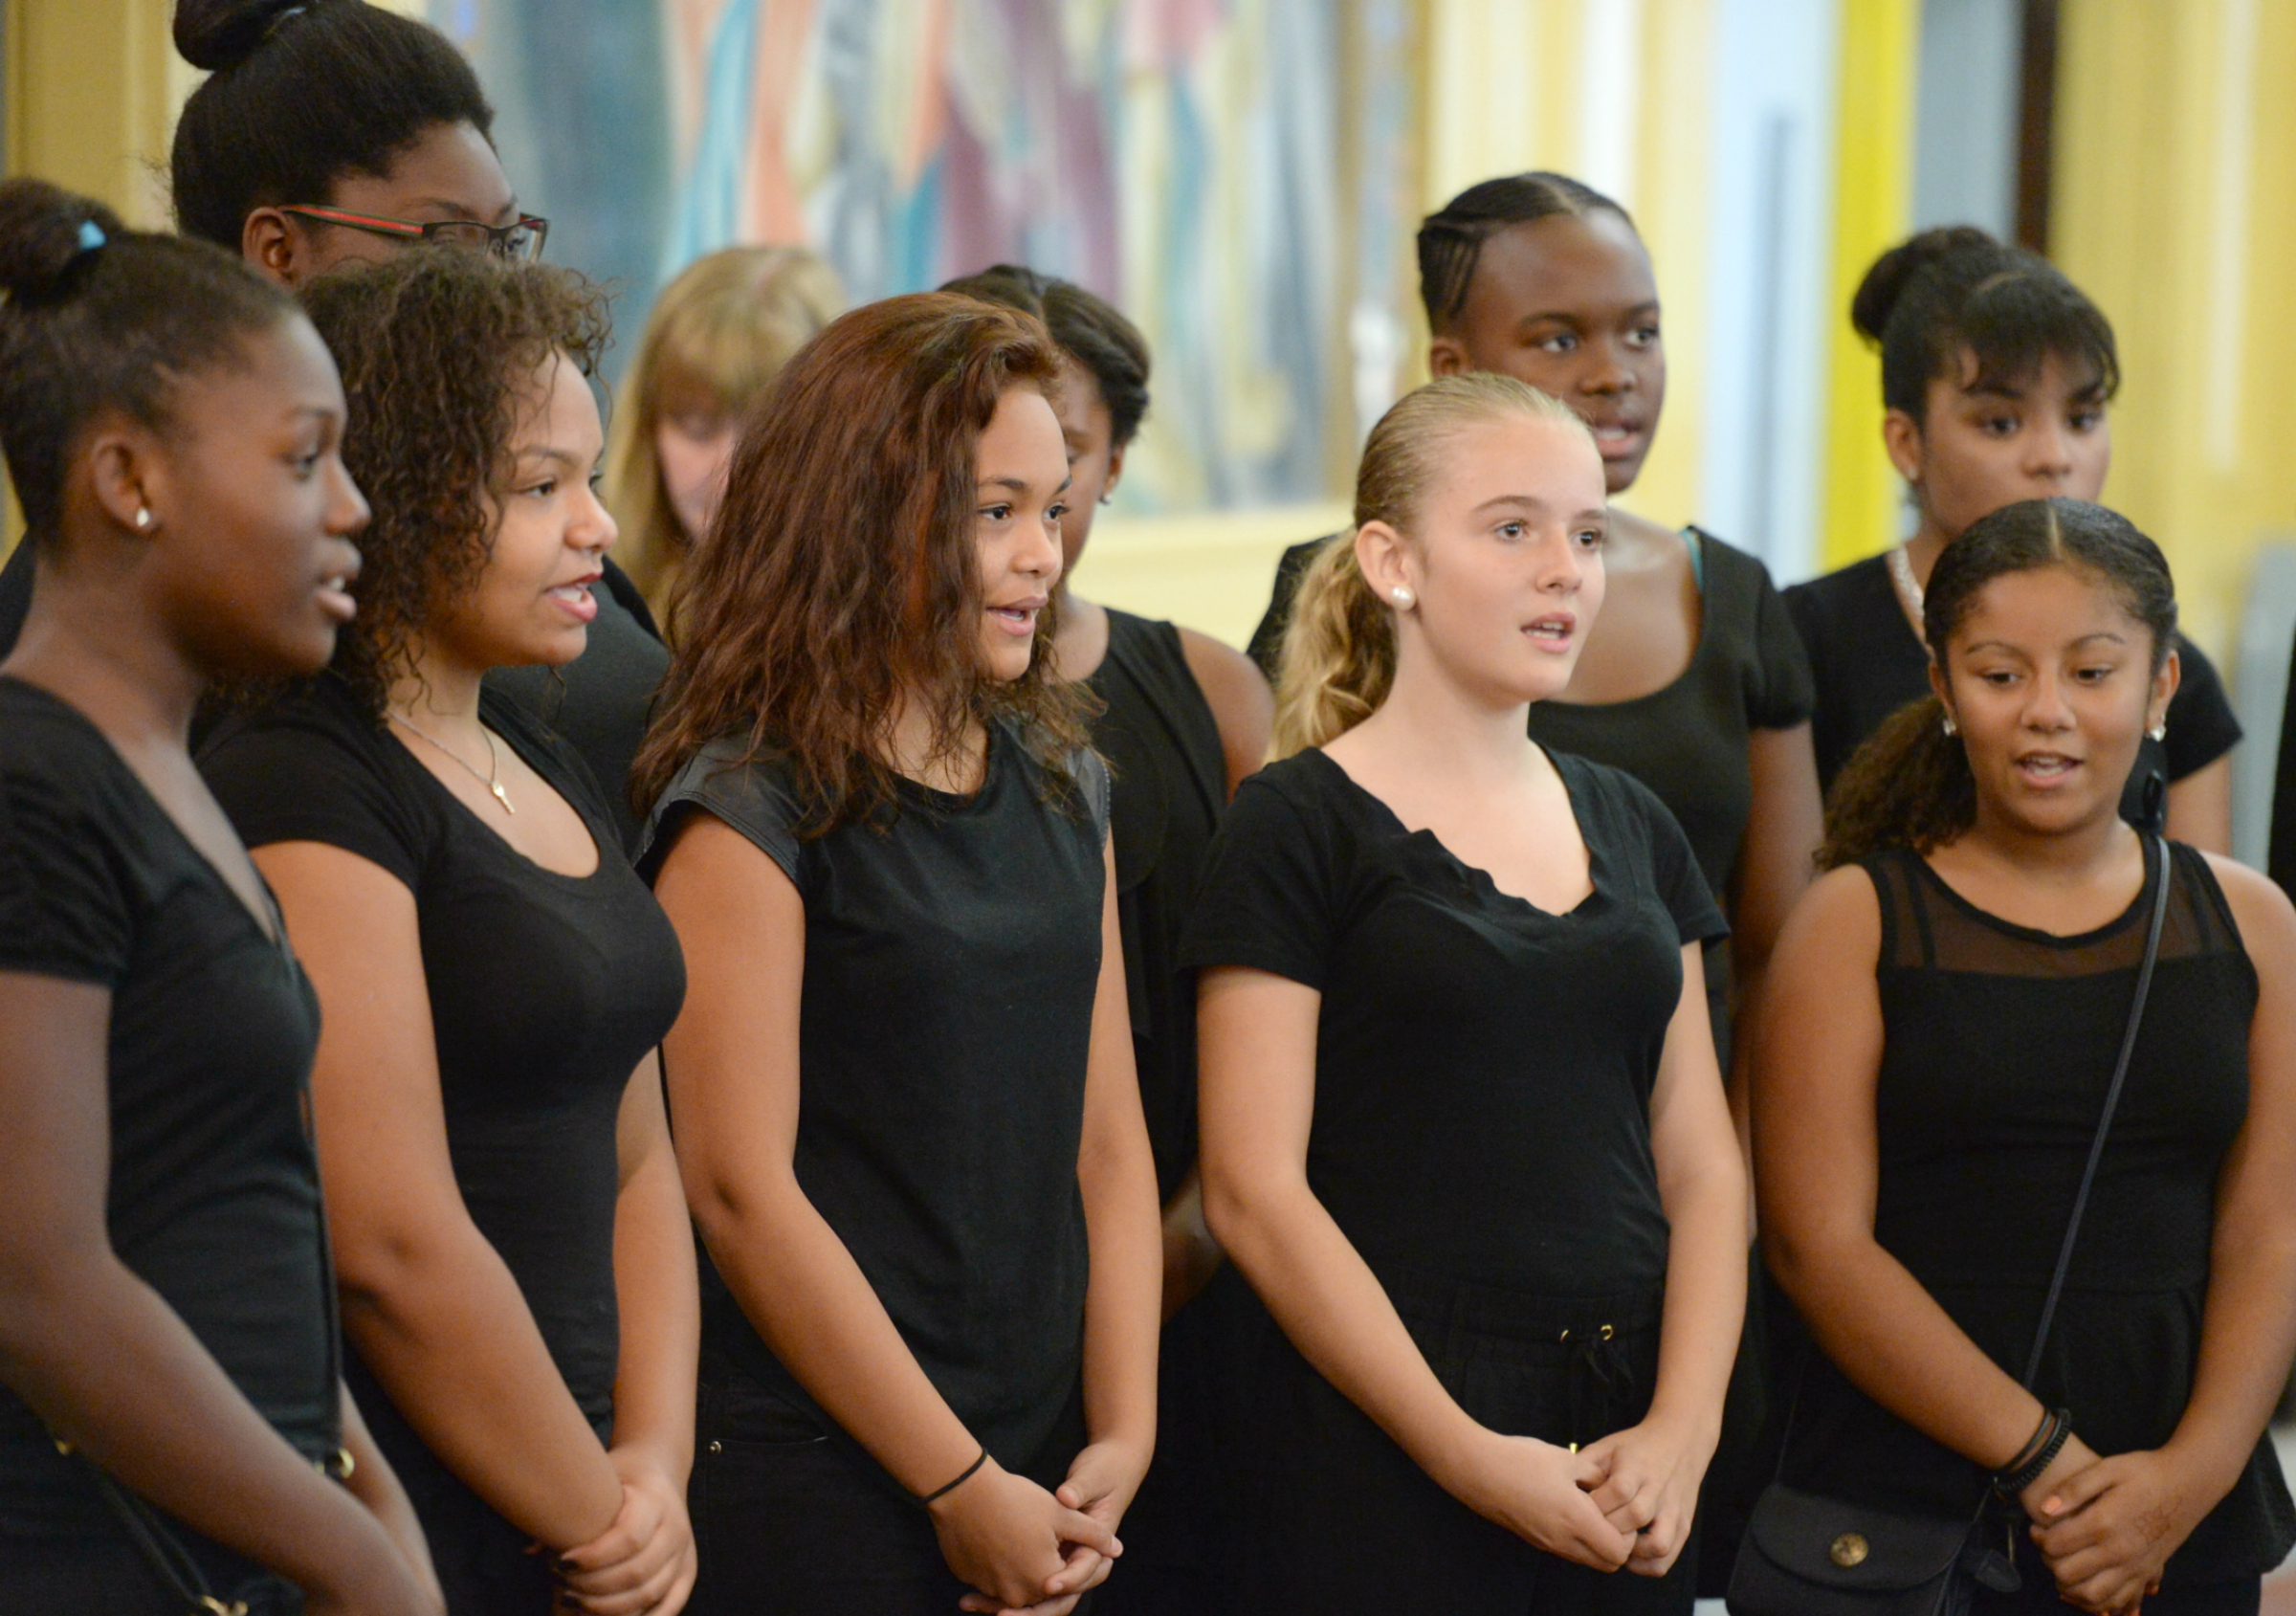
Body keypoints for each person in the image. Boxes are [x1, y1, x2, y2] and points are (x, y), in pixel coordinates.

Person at [634, 293, 1162, 1616]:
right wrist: (955, 1481)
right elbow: (737, 1189)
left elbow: (1108, 1142)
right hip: (827, 1467)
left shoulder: (1069, 784)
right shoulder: (750, 807)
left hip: (1043, 1460)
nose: (1042, 554)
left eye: (1054, 508)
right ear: (868, 517)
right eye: (995, 512)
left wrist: (1125, 1432)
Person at [1185, 373, 1747, 1614]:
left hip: (1622, 1444)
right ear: (1394, 563)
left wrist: (1684, 1430)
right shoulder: (1295, 825)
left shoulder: (1635, 823)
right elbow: (1252, 1189)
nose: (1565, 572)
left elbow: (1703, 1163)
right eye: (1512, 529)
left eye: (1586, 535)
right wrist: (1465, 1454)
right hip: (1381, 1442)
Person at [200, 251, 697, 1616]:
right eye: (541, 488)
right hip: (422, 1515)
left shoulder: (539, 752)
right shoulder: (302, 774)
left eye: (590, 478)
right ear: (400, 495)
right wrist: (592, 1513)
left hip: (598, 1494)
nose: (598, 526)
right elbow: (389, 1241)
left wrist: (655, 1464)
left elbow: (642, 1155)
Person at [0, 179, 440, 1614]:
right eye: (306, 459)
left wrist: (366, 1496)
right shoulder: (32, 785)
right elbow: (38, 1279)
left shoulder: (166, 770)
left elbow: (240, 1199)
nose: (353, 509)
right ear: (130, 479)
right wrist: (350, 1557)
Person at [1754, 498, 2296, 1614]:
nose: (2048, 712)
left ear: (2160, 688)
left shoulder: (2253, 924)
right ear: (1945, 690)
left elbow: (2270, 1230)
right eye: (2001, 675)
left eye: (2092, 673)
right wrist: (2052, 1464)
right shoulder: (1854, 920)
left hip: (2179, 1526)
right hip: (1907, 1522)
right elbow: (1818, 1247)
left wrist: (2187, 1481)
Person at [4, 0, 671, 850]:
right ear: (278, 253)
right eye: (449, 239)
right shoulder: (201, 585)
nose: (498, 290)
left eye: (507, 242)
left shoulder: (516, 542)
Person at [1247, 173, 1821, 1086]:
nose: (1614, 373)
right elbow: (1273, 918)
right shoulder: (1346, 585)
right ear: (1452, 366)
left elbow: (1778, 953)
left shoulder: (1733, 597)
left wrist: (1737, 1163)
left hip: (1674, 1122)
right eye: (1560, 339)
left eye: (1642, 332)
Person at [940, 262, 1271, 1611]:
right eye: (993, 487)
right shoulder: (821, 763)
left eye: (1065, 461)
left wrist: (1166, 1261)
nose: (1037, 517)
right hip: (955, 1325)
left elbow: (1268, 1029)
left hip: (1187, 1277)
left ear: (1114, 463)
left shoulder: (1208, 691)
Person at [1784, 227, 2241, 852]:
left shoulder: (2162, 667)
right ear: (1907, 443)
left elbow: (2202, 901)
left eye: (2082, 418)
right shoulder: (1804, 640)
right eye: (2001, 423)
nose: (2054, 456)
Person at [604, 244, 845, 622]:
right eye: (697, 428)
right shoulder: (594, 620)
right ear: (647, 434)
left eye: (768, 434)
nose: (730, 472)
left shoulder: (903, 628)